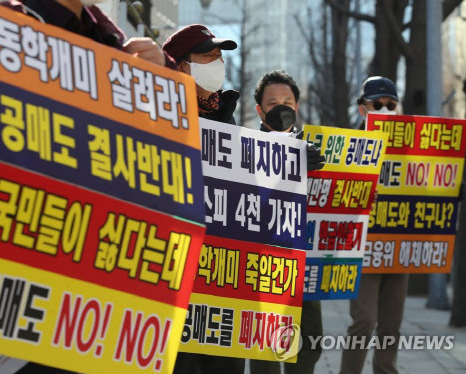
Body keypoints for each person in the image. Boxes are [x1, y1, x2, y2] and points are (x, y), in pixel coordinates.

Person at [0, 1, 175, 372]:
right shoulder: (4, 27)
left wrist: (164, 78)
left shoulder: (122, 49)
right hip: (21, 271)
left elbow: (167, 165)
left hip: (107, 289)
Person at [162, 24, 245, 374]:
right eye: (208, 57)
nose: (218, 64)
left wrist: (295, 164)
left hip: (220, 279)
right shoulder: (158, 113)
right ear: (182, 66)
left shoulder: (226, 117)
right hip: (173, 276)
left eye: (220, 58)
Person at [251, 70, 324, 374]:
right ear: (260, 110)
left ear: (297, 106)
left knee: (310, 342)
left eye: (287, 101)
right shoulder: (245, 147)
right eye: (273, 102)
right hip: (262, 265)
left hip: (304, 261)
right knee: (264, 348)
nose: (281, 107)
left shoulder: (314, 148)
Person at [340, 76, 408, 374]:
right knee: (364, 320)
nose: (384, 108)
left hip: (399, 245)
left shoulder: (412, 146)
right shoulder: (345, 146)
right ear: (361, 109)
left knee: (392, 325)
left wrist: (448, 192)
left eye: (390, 104)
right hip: (362, 248)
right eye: (376, 104)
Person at [163, 24, 240, 125]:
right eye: (208, 55)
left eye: (219, 55)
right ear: (181, 67)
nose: (217, 61)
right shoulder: (167, 110)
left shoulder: (224, 111)